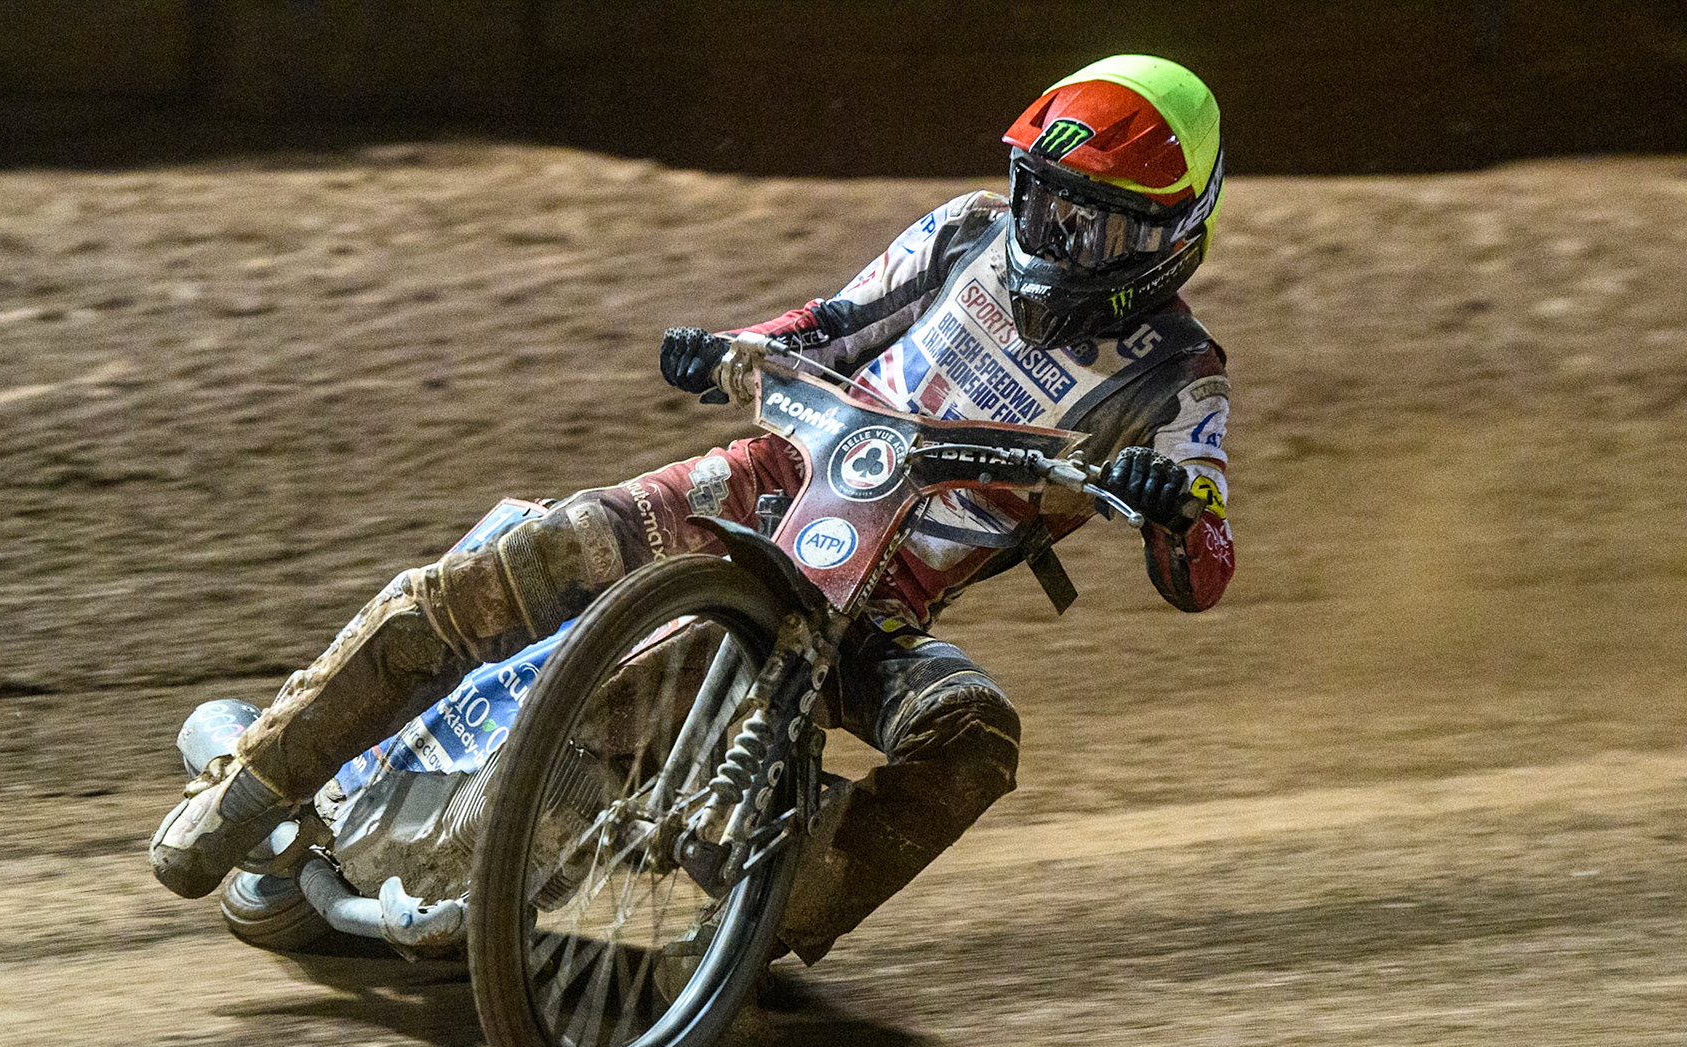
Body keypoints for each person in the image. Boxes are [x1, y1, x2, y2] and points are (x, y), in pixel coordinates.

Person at [150, 53, 1235, 965]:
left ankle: (757, 926)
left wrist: (1174, 510)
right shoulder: (968, 235)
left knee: (976, 732)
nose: (1052, 236)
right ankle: (256, 781)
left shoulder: (1179, 377)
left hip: (879, 604)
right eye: (1042, 200)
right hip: (764, 482)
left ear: (1169, 237)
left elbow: (1207, 562)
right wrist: (730, 347)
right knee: (534, 554)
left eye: (1092, 225)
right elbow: (830, 323)